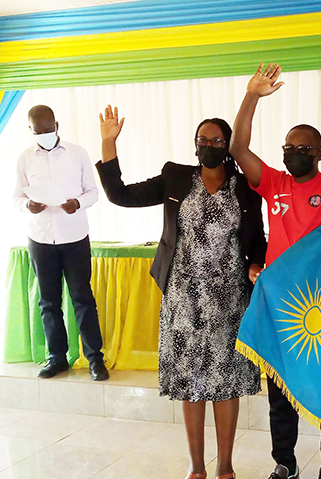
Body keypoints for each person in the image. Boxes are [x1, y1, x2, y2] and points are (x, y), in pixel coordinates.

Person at [96, 106, 266, 479]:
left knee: (226, 381)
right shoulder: (176, 178)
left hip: (229, 299)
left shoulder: (245, 189)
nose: (209, 145)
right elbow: (121, 195)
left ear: (228, 145)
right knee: (190, 382)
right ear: (194, 146)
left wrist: (256, 262)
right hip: (183, 299)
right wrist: (109, 144)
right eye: (203, 140)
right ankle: (196, 467)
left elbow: (258, 239)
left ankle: (224, 466)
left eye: (217, 140)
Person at [229, 63, 321, 479]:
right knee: (279, 390)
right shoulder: (275, 182)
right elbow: (238, 149)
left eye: (302, 149)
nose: (293, 153)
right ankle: (286, 463)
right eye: (288, 147)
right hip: (279, 303)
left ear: (319, 154)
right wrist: (252, 95)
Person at [13, 105, 108, 381]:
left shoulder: (77, 153)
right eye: (38, 131)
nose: (44, 134)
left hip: (74, 235)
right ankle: (57, 358)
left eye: (48, 129)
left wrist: (78, 203)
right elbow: (16, 197)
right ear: (31, 130)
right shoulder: (24, 159)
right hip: (41, 238)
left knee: (82, 298)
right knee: (48, 301)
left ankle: (94, 359)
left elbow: (92, 192)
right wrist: (27, 206)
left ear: (57, 124)